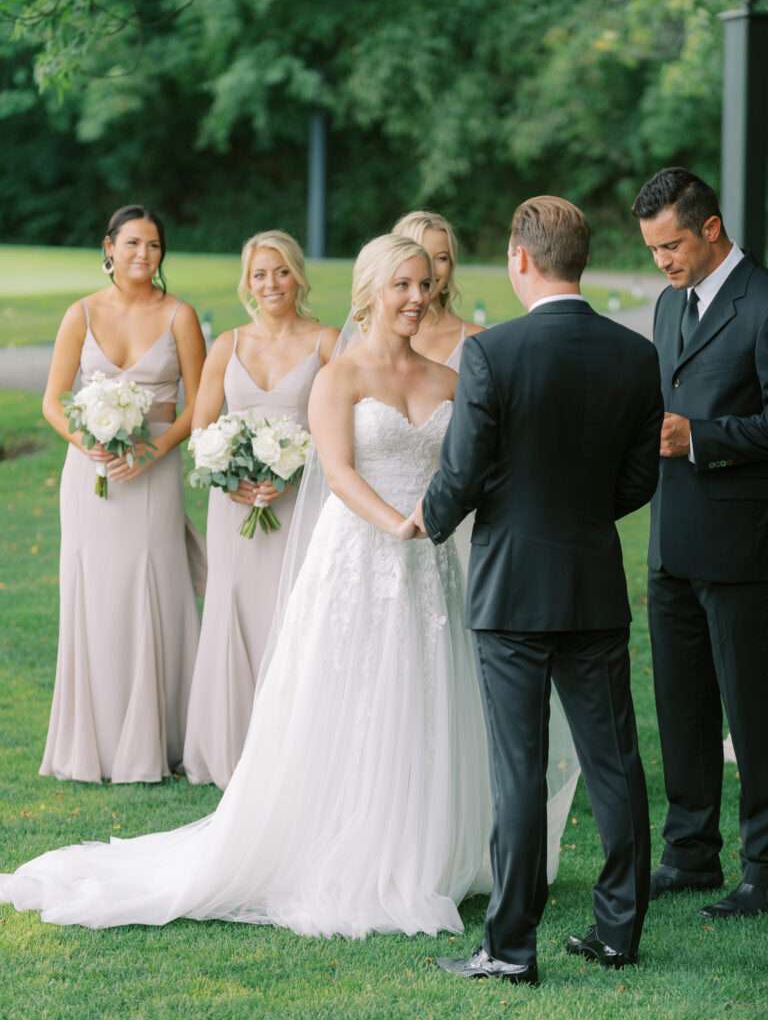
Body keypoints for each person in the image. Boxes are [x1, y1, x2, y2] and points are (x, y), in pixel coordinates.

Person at [0, 234, 493, 934]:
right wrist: (399, 525)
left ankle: (425, 851)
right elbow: (342, 472)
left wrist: (436, 522)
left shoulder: (449, 382)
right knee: (359, 695)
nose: (418, 298)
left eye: (424, 285)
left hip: (432, 567)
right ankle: (354, 847)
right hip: (362, 555)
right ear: (372, 293)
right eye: (403, 286)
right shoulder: (341, 376)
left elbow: (466, 468)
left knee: (426, 691)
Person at [412, 196, 662, 984]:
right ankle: (618, 933)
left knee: (518, 769)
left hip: (511, 588)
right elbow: (639, 477)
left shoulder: (494, 355)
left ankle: (510, 947)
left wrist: (427, 520)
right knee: (614, 760)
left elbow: (459, 474)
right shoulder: (635, 352)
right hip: (591, 583)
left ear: (521, 258)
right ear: (579, 259)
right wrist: (582, 515)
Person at [632, 167, 768, 920]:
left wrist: (700, 438)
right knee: (682, 706)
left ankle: (765, 866)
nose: (663, 261)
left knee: (753, 712)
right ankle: (690, 855)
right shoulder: (665, 306)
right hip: (670, 543)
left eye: (672, 244)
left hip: (746, 548)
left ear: (711, 227)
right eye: (653, 249)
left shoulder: (764, 302)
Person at [38, 204, 205, 784]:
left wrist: (156, 452)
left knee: (155, 588)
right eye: (132, 243)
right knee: (96, 593)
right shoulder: (80, 314)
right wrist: (87, 442)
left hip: (151, 472)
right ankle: (95, 742)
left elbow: (199, 405)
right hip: (91, 472)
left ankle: (162, 739)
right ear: (109, 247)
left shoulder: (180, 315)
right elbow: (53, 400)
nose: (143, 254)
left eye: (153, 246)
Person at [182, 230, 337, 789]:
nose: (271, 283)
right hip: (235, 507)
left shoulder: (327, 342)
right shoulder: (227, 344)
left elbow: (342, 429)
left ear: (298, 275)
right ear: (247, 283)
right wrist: (230, 478)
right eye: (259, 274)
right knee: (235, 613)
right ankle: (232, 747)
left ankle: (294, 752)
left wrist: (297, 468)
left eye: (281, 271)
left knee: (294, 616)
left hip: (302, 506)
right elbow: (201, 426)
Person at [392, 210, 484, 369]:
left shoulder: (477, 340)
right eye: (422, 255)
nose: (431, 269)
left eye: (441, 258)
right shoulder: (372, 337)